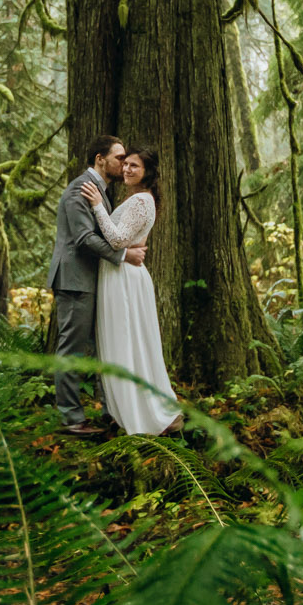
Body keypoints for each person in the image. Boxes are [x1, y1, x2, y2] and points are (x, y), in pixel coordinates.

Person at [45, 135, 146, 438]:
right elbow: (83, 238)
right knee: (72, 349)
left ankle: (111, 411)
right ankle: (71, 419)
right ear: (100, 159)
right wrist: (123, 255)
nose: (123, 163)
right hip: (75, 281)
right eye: (119, 157)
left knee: (104, 347)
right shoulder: (81, 189)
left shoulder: (100, 192)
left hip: (91, 281)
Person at [79, 146, 182, 435]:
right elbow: (124, 240)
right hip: (119, 274)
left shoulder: (140, 201)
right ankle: (124, 410)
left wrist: (99, 205)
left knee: (125, 342)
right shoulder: (138, 199)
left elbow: (117, 240)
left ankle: (140, 414)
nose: (126, 169)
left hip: (123, 277)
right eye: (125, 164)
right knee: (124, 343)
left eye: (134, 166)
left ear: (147, 172)